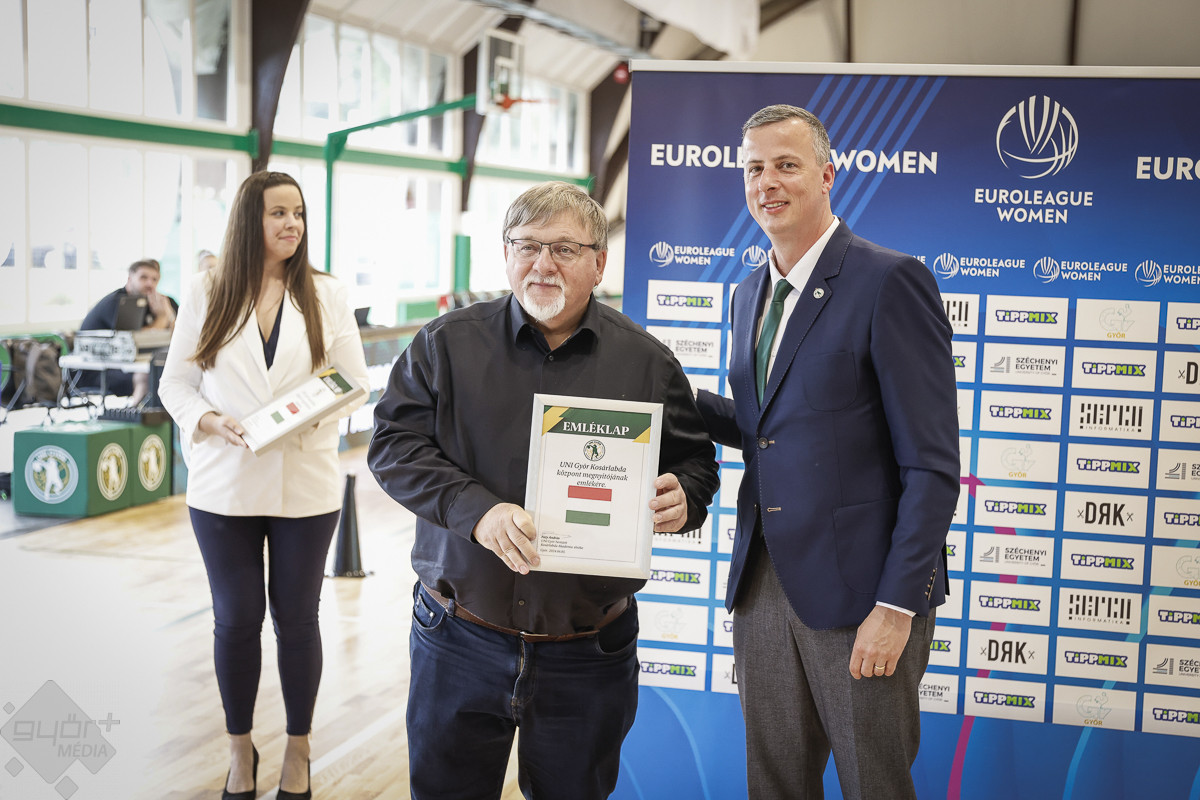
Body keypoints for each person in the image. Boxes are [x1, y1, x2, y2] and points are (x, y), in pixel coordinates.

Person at [368, 181, 719, 800]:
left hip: (588, 652)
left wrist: (684, 497)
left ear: (599, 262)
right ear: (506, 254)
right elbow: (394, 446)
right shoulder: (445, 345)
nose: (542, 264)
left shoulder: (648, 363)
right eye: (527, 246)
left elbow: (695, 463)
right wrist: (478, 513)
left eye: (563, 248)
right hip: (458, 637)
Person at [694, 105, 959, 799]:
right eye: (754, 168)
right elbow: (768, 430)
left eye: (786, 165)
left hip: (863, 596)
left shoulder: (889, 281)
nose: (767, 182)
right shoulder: (748, 293)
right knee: (774, 785)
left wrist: (896, 606)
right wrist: (668, 397)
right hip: (763, 584)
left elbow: (932, 468)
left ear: (826, 175)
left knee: (875, 785)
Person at [158, 171, 369, 800]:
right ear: (249, 220)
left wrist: (305, 415)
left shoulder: (327, 293)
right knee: (236, 619)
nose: (292, 224)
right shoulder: (208, 290)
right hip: (224, 485)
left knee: (297, 620)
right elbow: (175, 384)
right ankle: (239, 749)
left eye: (298, 212)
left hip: (305, 482)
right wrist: (209, 420)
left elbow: (354, 381)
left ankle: (298, 750)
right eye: (278, 212)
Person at [78, 258, 178, 403]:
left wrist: (170, 316)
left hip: (135, 364)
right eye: (143, 277)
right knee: (149, 375)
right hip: (97, 370)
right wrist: (162, 318)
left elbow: (180, 335)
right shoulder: (117, 302)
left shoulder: (161, 301)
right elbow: (133, 339)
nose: (150, 284)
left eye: (154, 279)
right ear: (130, 279)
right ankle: (137, 412)